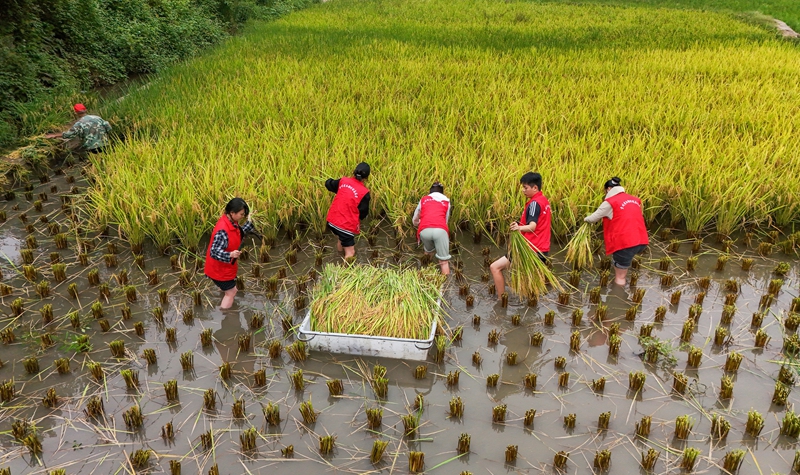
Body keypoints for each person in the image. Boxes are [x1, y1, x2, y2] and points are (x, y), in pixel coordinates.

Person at [490, 172, 551, 297]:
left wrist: (518, 228)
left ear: (535, 188)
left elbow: (533, 226)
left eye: (525, 188)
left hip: (530, 248)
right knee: (531, 284)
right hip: (542, 249)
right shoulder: (544, 201)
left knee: (495, 267)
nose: (523, 190)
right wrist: (520, 224)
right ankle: (531, 309)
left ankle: (502, 300)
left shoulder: (534, 203)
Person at [584, 176, 649, 286]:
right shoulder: (634, 199)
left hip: (626, 243)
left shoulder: (610, 202)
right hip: (642, 241)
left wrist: (585, 218)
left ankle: (618, 298)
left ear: (609, 189)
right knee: (626, 262)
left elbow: (593, 218)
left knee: (620, 277)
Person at [204, 198, 258, 309]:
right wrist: (230, 255)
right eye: (241, 214)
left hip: (223, 268)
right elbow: (213, 251)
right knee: (232, 292)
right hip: (219, 270)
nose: (242, 216)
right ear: (232, 213)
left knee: (225, 289)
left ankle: (222, 298)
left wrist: (251, 223)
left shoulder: (231, 222)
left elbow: (237, 233)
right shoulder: (222, 230)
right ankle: (225, 315)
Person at [325, 162, 371, 258]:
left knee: (341, 239)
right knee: (350, 253)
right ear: (366, 178)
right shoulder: (364, 192)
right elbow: (363, 213)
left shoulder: (343, 181)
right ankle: (345, 272)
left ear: (353, 172)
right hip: (345, 225)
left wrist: (328, 181)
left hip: (332, 220)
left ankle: (338, 258)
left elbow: (329, 185)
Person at [412, 182, 451, 275]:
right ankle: (446, 285)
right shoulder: (446, 201)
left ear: (430, 192)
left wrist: (418, 224)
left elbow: (415, 218)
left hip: (424, 230)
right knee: (443, 261)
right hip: (440, 230)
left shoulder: (424, 200)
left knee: (428, 252)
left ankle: (424, 274)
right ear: (442, 192)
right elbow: (445, 220)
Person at [46, 103, 112, 154]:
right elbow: (109, 128)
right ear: (85, 110)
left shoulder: (79, 123)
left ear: (76, 112)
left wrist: (54, 135)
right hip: (105, 144)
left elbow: (69, 134)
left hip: (91, 148)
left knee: (95, 163)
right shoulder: (97, 118)